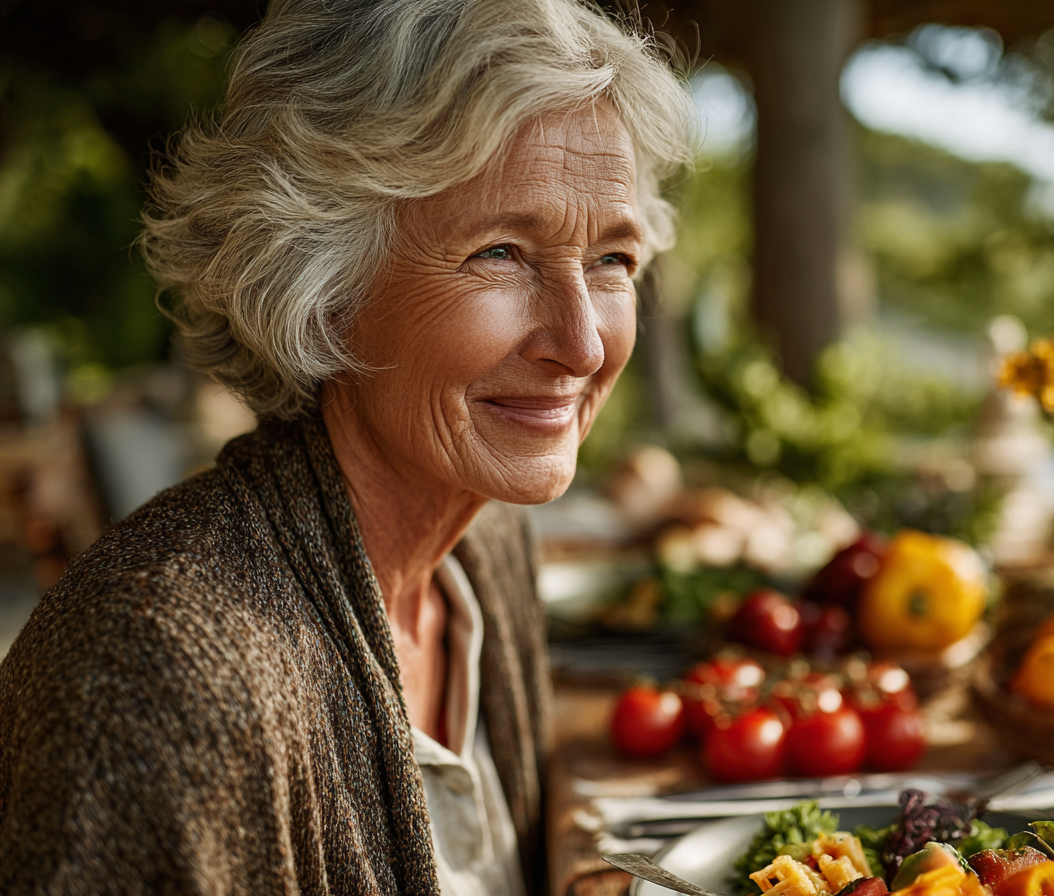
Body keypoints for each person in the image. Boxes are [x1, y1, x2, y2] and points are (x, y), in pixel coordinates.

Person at [0, 0, 691, 892]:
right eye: (500, 253)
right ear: (320, 283)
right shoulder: (160, 680)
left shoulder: (485, 547)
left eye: (612, 261)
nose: (584, 344)